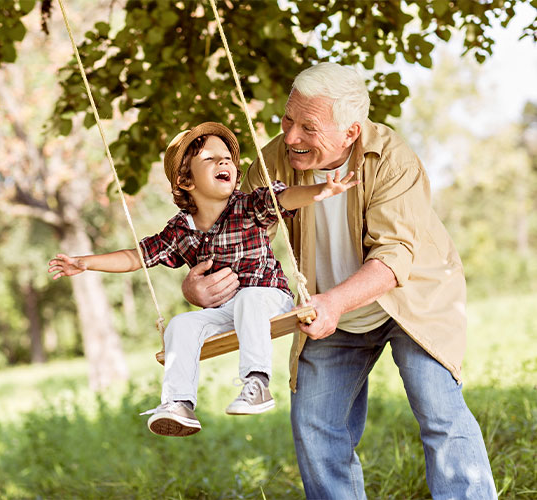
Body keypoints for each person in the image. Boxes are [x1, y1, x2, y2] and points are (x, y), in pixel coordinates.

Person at [181, 64, 498, 498]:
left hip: (411, 299)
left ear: (350, 132)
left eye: (308, 127)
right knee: (315, 426)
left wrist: (334, 303)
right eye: (287, 120)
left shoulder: (391, 157)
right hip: (328, 309)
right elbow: (229, 235)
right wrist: (198, 286)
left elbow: (394, 256)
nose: (291, 137)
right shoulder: (274, 162)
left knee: (439, 411)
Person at [48, 121, 358, 438]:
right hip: (227, 311)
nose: (224, 162)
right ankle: (178, 404)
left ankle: (257, 383)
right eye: (210, 159)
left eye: (227, 158)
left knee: (250, 299)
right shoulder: (180, 230)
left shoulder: (250, 205)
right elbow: (136, 256)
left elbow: (288, 198)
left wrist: (321, 191)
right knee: (181, 325)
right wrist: (85, 263)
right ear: (186, 180)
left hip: (267, 298)